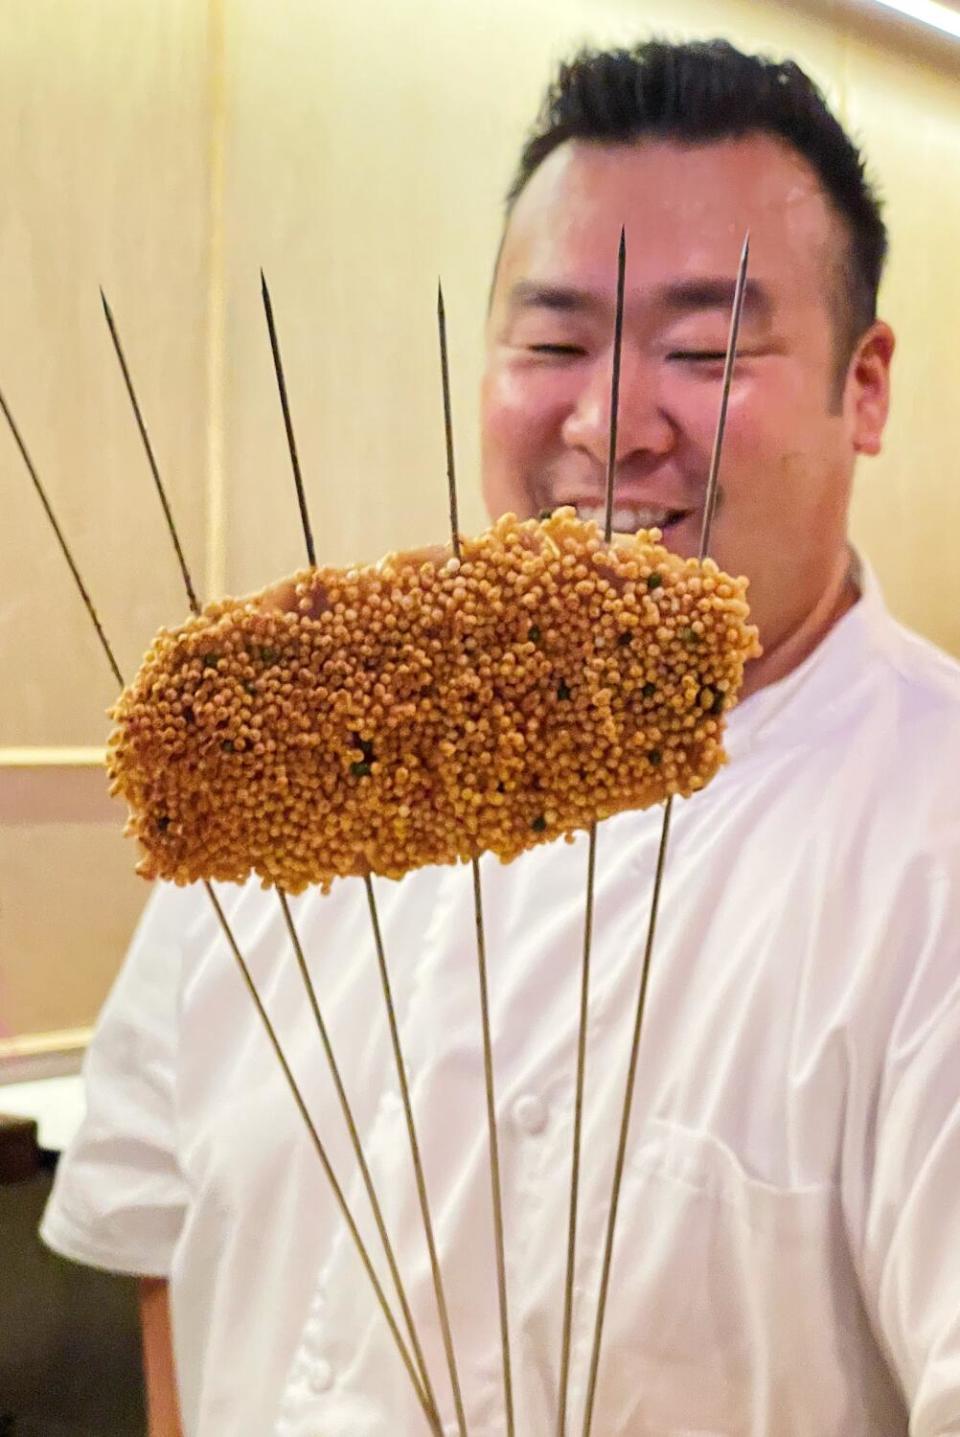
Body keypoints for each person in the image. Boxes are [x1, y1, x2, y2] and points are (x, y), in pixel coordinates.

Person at [41, 37, 960, 1437]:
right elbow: (165, 1219)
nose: (607, 421)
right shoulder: (291, 767)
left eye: (705, 349)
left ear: (868, 384)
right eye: (550, 342)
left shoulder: (931, 833)